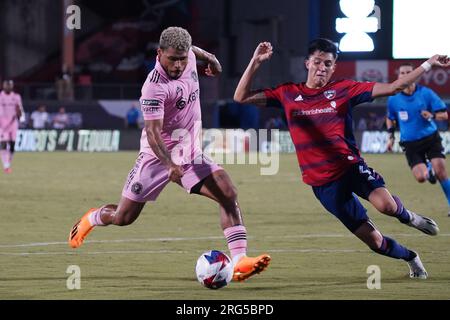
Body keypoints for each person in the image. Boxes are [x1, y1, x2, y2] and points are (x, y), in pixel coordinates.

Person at [234, 38, 449, 279]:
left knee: (386, 206)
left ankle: (409, 217)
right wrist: (255, 62)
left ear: (334, 68)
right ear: (307, 63)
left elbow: (393, 87)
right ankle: (411, 257)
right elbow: (240, 97)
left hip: (351, 169)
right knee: (375, 242)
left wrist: (429, 63)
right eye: (317, 62)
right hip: (323, 185)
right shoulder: (288, 94)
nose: (322, 67)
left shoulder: (343, 89)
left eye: (328, 63)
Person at [68, 26, 270, 282]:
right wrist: (169, 163)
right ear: (160, 53)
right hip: (156, 157)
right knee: (123, 217)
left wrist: (212, 60)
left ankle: (240, 262)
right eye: (172, 58)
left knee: (228, 193)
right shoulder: (154, 87)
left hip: (190, 152)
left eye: (182, 58)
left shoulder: (188, 57)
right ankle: (93, 217)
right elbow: (152, 133)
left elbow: (194, 49)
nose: (178, 64)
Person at [386, 63, 450, 216]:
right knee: (421, 178)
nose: (405, 75)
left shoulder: (426, 93)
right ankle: (428, 169)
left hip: (430, 138)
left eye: (409, 72)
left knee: (441, 171)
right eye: (402, 73)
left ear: (415, 74)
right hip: (410, 143)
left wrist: (432, 115)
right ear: (399, 76)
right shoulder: (393, 99)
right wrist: (391, 137)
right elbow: (390, 118)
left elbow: (444, 115)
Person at [0, 80, 23, 173]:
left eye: (9, 85)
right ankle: (6, 166)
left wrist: (19, 113)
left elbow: (20, 110)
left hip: (13, 123)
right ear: (3, 86)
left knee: (12, 146)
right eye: (6, 85)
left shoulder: (16, 97)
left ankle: (8, 162)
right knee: (4, 144)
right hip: (2, 123)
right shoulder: (0, 97)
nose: (8, 87)